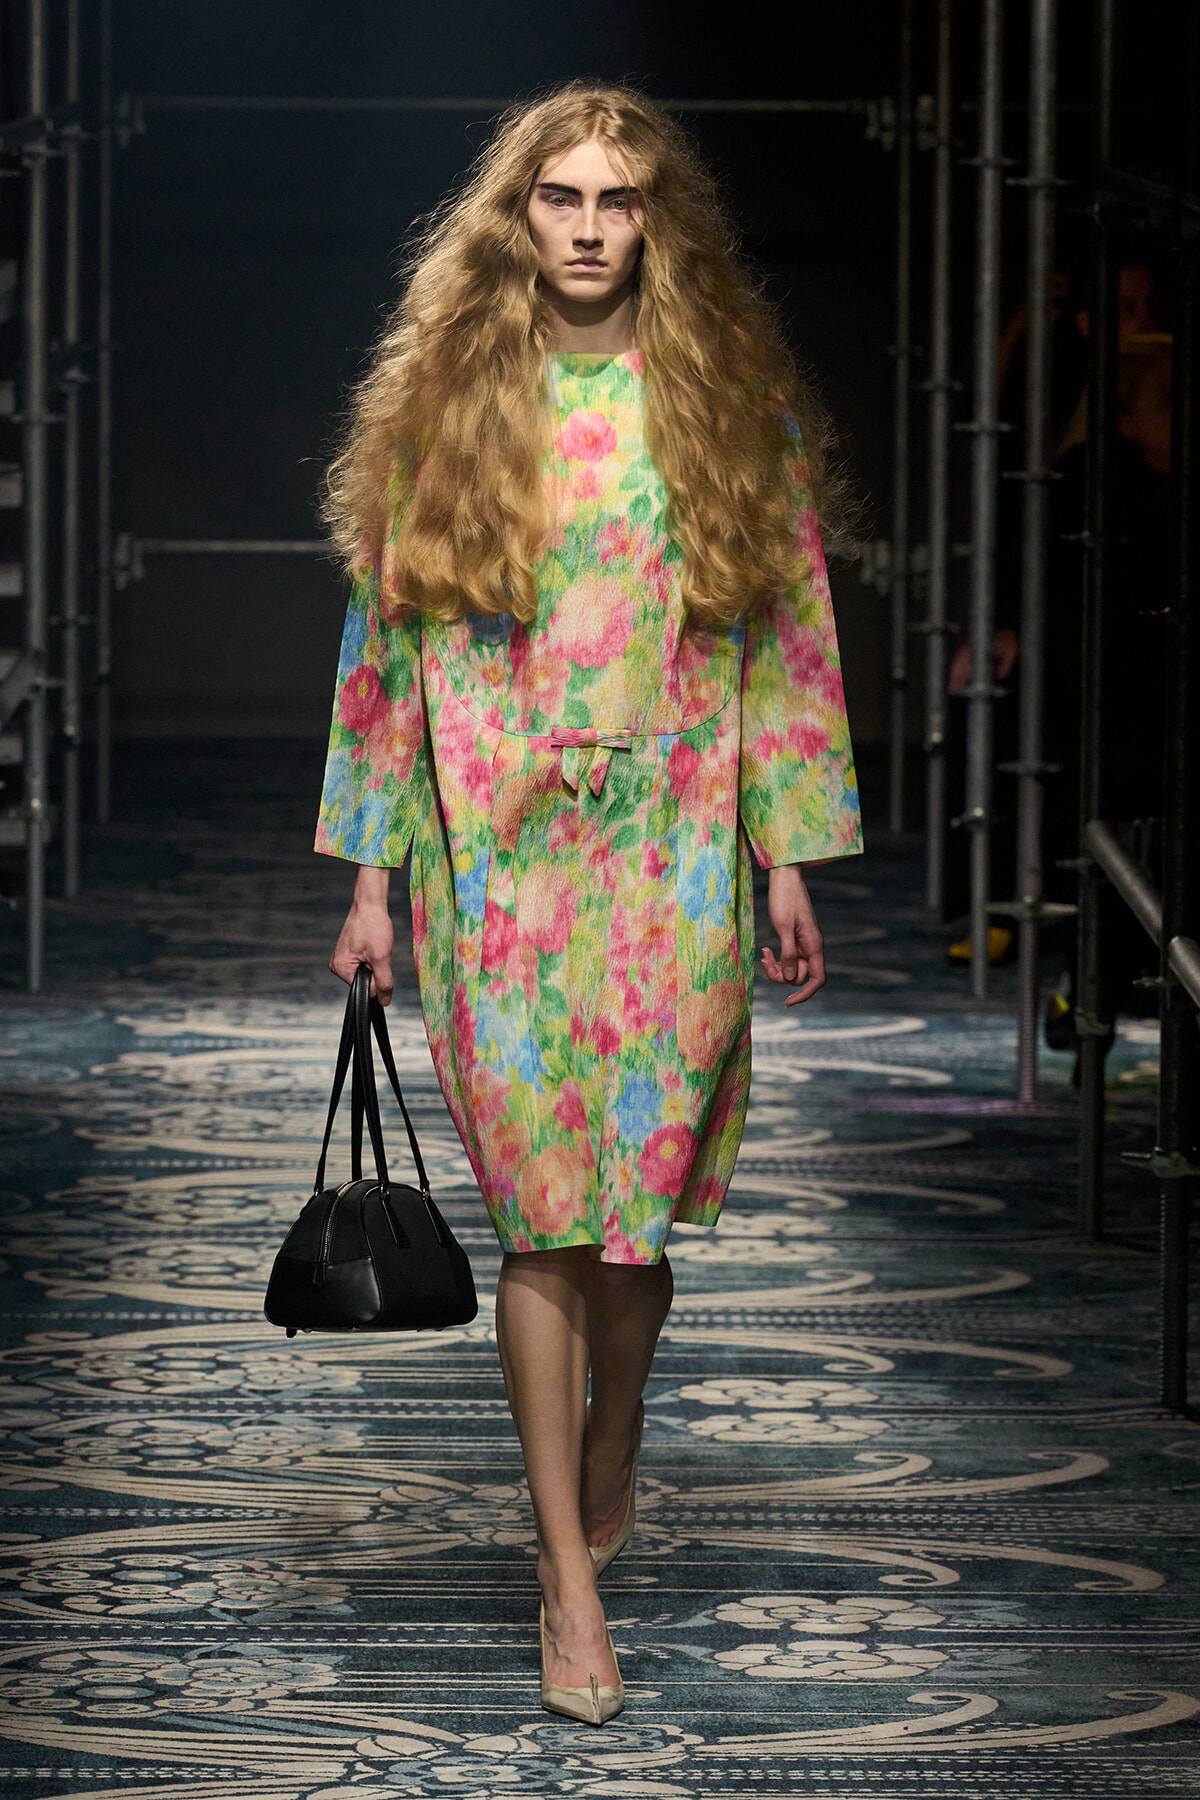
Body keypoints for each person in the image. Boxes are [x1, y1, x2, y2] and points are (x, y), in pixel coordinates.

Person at [315, 81, 862, 1724]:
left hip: (677, 857)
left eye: (616, 200)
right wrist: (372, 883)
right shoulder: (449, 406)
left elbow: (785, 633)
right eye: (558, 197)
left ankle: (617, 1426)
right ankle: (566, 1577)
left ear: (653, 222)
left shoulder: (723, 405)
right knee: (547, 1226)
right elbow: (385, 653)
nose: (585, 226)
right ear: (517, 217)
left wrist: (784, 856)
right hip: (504, 870)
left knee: (636, 1237)